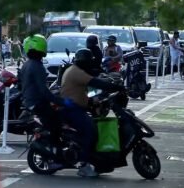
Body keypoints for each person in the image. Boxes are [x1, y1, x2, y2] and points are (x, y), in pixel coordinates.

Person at [60, 48, 125, 177]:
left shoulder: (74, 70)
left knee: (94, 126)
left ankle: (97, 162)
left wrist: (91, 102)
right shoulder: (77, 72)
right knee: (90, 132)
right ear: (84, 61)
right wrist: (117, 87)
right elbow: (96, 83)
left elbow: (82, 90)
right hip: (72, 109)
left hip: (74, 107)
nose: (91, 63)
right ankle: (84, 165)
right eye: (89, 61)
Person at [20, 34, 74, 169]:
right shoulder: (36, 66)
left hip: (30, 101)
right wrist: (61, 101)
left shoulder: (27, 64)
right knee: (56, 125)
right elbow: (44, 91)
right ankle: (54, 158)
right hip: (38, 102)